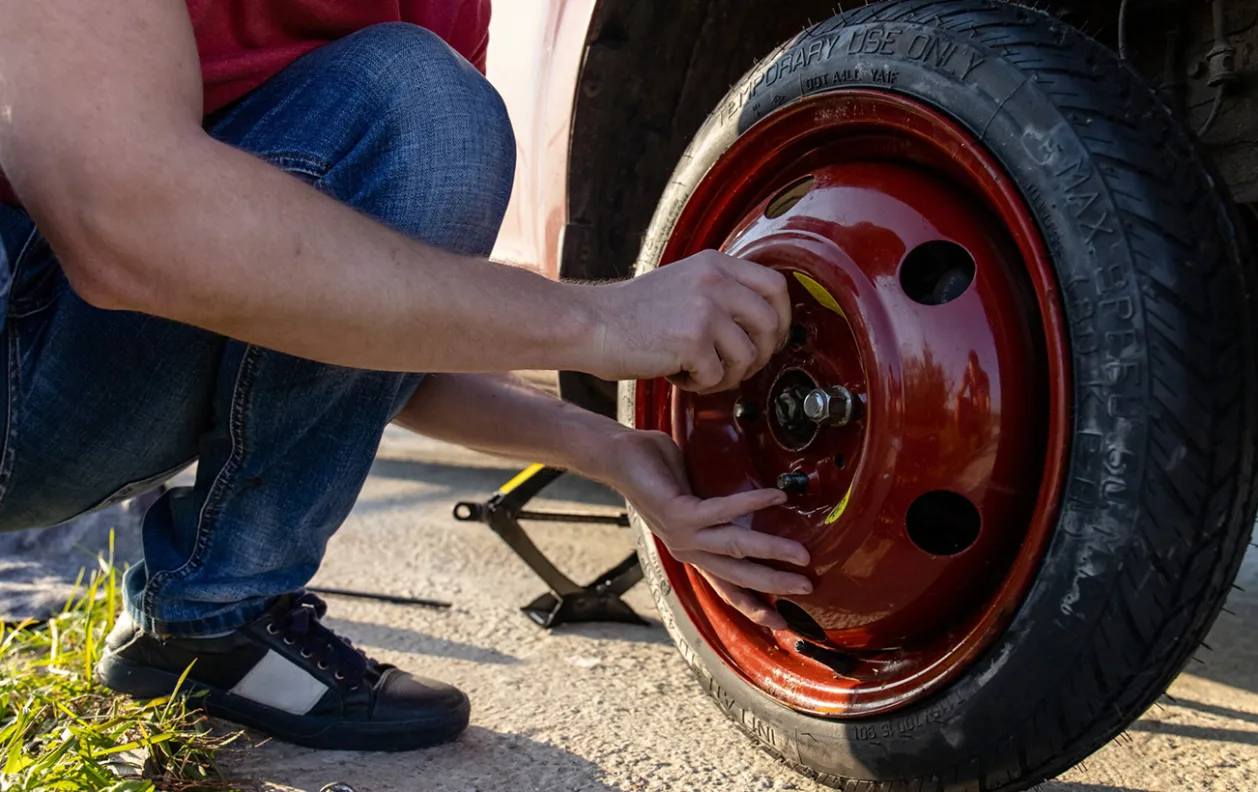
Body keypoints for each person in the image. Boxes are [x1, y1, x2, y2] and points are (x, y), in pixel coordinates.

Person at [0, 0, 812, 752]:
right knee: (423, 102)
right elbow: (119, 226)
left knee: (426, 101)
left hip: (69, 393)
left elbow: (363, 336)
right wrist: (599, 322)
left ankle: (208, 630)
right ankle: (223, 608)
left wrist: (612, 450)